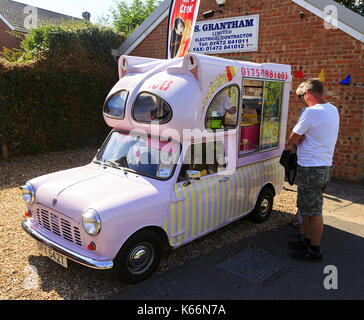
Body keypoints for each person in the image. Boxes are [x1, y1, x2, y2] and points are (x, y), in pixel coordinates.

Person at [287, 78, 339, 261]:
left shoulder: (312, 112)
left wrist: (298, 139)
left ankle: (315, 250)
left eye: (302, 96)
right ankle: (307, 241)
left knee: (314, 210)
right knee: (307, 208)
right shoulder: (333, 109)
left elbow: (293, 137)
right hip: (322, 166)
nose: (302, 99)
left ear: (309, 93)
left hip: (311, 167)